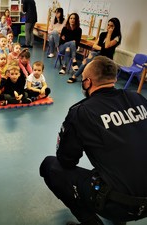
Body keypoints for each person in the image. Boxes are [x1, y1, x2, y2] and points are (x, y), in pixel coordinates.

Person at [40, 56, 147, 225]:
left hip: (121, 204)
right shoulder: (139, 99)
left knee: (49, 166)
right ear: (115, 79)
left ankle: (91, 222)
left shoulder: (81, 112)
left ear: (88, 82)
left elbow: (66, 160)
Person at [67, 18, 122, 83]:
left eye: (111, 26)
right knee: (87, 60)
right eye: (108, 25)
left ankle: (76, 76)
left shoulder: (117, 37)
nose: (109, 27)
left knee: (88, 60)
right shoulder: (103, 34)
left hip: (106, 56)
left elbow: (107, 46)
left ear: (116, 27)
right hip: (97, 53)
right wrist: (103, 48)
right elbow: (94, 46)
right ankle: (78, 76)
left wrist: (109, 34)